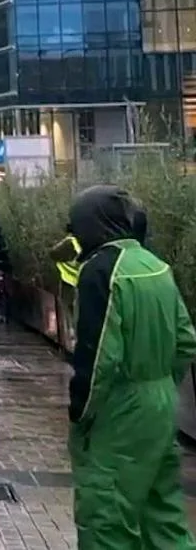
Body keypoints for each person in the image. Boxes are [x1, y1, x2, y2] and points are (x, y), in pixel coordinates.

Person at [64, 185, 196, 550]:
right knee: (163, 516)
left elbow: (99, 357)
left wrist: (80, 413)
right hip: (161, 405)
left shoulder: (100, 271)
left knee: (107, 517)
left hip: (119, 413)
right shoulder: (156, 265)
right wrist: (160, 384)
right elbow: (186, 340)